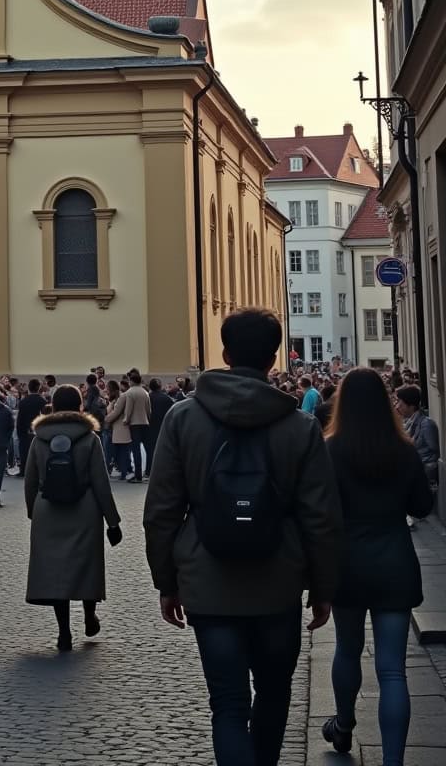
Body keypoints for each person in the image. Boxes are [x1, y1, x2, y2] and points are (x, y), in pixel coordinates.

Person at [144, 309, 341, 766]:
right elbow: (321, 516)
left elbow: (161, 512)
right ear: (274, 358)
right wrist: (325, 587)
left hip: (208, 583)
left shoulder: (182, 419)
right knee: (273, 697)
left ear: (226, 354)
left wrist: (167, 582)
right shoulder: (300, 427)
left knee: (228, 706)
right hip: (278, 582)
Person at [321, 368, 434, 763]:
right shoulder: (402, 449)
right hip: (394, 564)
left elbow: (320, 512)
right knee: (393, 670)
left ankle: (345, 725)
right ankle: (393, 761)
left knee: (347, 650)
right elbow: (422, 506)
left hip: (347, 564)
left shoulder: (329, 448)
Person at [24, 383, 123, 650]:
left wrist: (34, 512)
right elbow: (101, 482)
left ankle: (64, 631)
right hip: (85, 509)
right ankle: (89, 615)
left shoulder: (38, 438)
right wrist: (113, 522)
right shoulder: (89, 438)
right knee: (86, 566)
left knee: (56, 572)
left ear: (53, 406)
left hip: (48, 510)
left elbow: (30, 480)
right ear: (80, 405)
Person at [396, 385, 441, 492]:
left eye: (401, 404)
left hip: (424, 478)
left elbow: (434, 453)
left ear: (411, 406)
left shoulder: (426, 424)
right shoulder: (407, 422)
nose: (398, 407)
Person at [123, 368, 152, 480]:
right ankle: (148, 471)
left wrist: (126, 419)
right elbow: (149, 410)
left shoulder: (130, 392)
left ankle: (138, 474)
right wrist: (148, 419)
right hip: (145, 422)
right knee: (147, 448)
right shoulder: (145, 392)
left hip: (134, 424)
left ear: (132, 381)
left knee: (136, 450)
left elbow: (128, 409)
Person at [104, 386, 134, 481]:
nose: (107, 391)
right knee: (121, 452)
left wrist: (106, 419)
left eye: (108, 390)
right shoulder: (117, 399)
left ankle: (122, 473)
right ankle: (123, 471)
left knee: (120, 452)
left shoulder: (121, 398)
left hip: (120, 429)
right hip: (120, 429)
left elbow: (115, 413)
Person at [146, 377, 174, 465]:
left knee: (150, 449)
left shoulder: (148, 398)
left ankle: (149, 469)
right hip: (163, 426)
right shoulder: (167, 398)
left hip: (150, 426)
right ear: (160, 387)